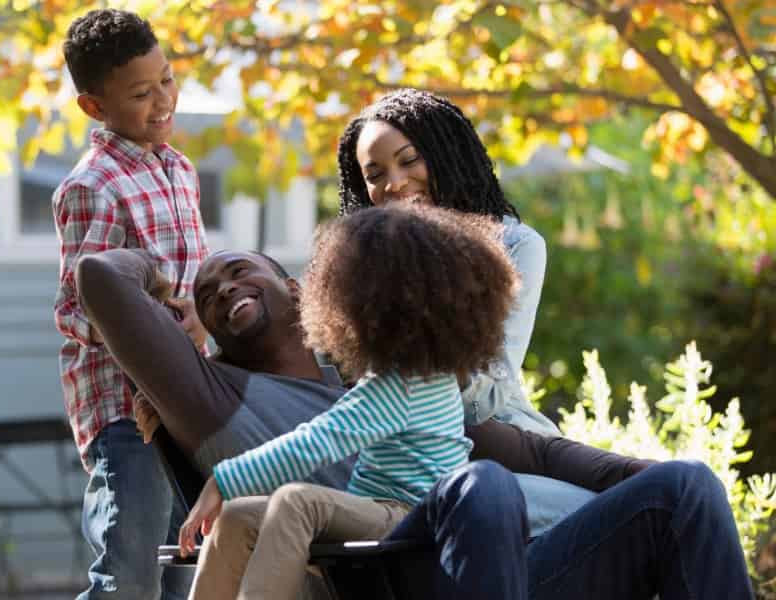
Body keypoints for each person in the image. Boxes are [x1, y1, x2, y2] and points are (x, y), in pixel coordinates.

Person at [75, 247, 752, 599]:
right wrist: (162, 282)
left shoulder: (382, 377)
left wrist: (634, 472)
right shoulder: (213, 393)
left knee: (687, 486)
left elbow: (527, 449)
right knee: (481, 485)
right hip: (395, 576)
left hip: (513, 569)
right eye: (207, 295)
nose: (223, 288)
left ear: (300, 291)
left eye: (239, 270)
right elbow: (101, 275)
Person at [177, 204, 520, 600]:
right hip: (377, 511)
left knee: (297, 501)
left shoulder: (407, 384)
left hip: (411, 519)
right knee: (238, 515)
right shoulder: (404, 374)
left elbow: (317, 441)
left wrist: (223, 480)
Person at [336, 88, 590, 533]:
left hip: (508, 447)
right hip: (405, 470)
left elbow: (488, 395)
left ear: (446, 153)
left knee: (620, 509)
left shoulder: (515, 246)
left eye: (409, 160)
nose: (394, 183)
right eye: (374, 174)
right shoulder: (359, 269)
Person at [53, 9, 210, 599]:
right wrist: (158, 327)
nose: (163, 99)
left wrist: (202, 314)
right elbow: (75, 311)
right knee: (130, 574)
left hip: (189, 403)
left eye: (167, 79)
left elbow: (192, 279)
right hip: (126, 412)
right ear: (95, 106)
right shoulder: (91, 187)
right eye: (142, 94)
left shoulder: (179, 169)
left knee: (185, 568)